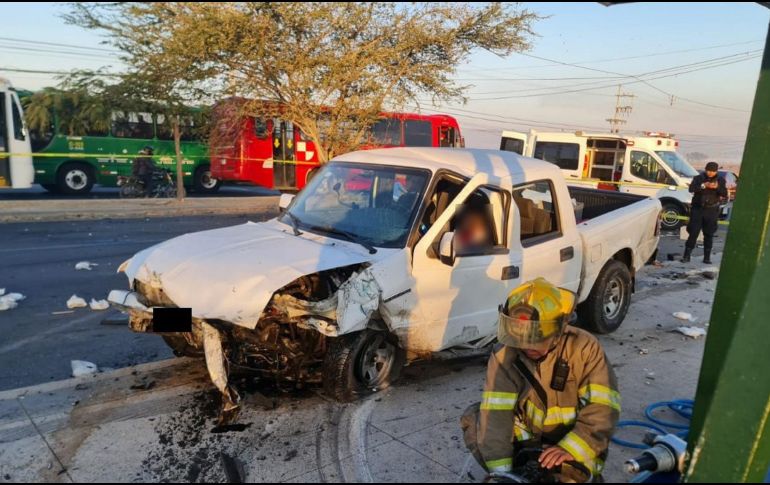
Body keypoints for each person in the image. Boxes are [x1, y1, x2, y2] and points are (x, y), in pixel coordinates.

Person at [461, 278, 620, 481]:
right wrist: (503, 476)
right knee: (475, 421)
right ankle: (519, 471)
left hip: (569, 438)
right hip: (529, 439)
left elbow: (603, 408)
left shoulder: (584, 348)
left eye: (536, 340)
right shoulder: (504, 355)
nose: (528, 348)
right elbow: (496, 416)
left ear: (559, 329)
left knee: (573, 473)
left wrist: (571, 448)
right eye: (521, 339)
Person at [683, 162, 727, 264]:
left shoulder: (720, 180)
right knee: (693, 233)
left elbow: (724, 193)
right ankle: (686, 256)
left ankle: (707, 258)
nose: (710, 173)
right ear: (705, 169)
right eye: (708, 170)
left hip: (711, 211)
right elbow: (691, 189)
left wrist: (716, 187)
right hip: (697, 209)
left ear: (716, 171)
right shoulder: (698, 178)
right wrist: (703, 186)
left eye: (712, 171)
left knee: (709, 234)